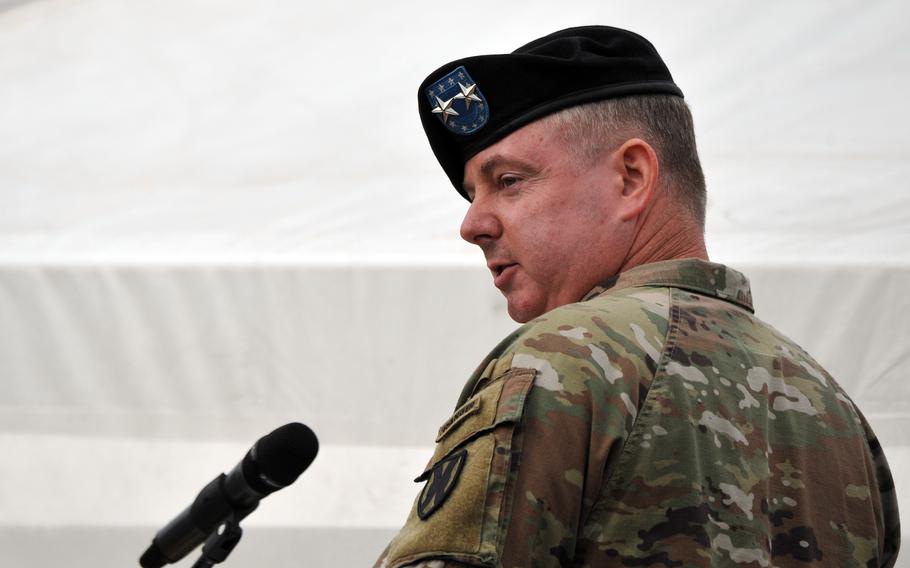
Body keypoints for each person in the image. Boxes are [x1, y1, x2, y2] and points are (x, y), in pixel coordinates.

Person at [374, 26, 900, 567]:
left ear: (631, 177)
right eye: (471, 193)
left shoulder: (567, 357)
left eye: (508, 180)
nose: (472, 224)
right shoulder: (837, 413)